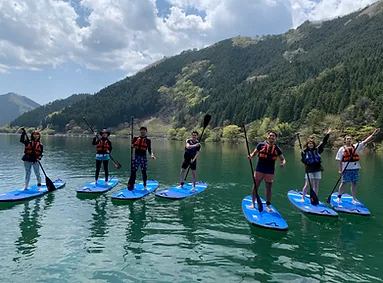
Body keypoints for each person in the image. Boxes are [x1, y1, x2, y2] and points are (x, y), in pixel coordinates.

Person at [334, 128, 380, 204]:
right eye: (347, 139)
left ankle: (354, 199)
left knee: (354, 183)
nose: (349, 140)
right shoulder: (341, 149)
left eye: (350, 139)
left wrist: (374, 133)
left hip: (355, 168)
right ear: (345, 140)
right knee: (343, 183)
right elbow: (339, 160)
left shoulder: (356, 146)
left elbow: (366, 140)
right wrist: (340, 170)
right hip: (346, 169)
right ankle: (339, 197)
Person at [248, 130, 286, 212]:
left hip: (270, 170)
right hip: (260, 169)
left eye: (273, 136)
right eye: (270, 135)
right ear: (267, 136)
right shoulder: (260, 145)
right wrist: (250, 156)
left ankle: (268, 205)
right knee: (255, 186)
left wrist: (283, 163)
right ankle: (253, 203)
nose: (271, 137)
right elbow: (254, 154)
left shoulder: (277, 149)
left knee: (268, 188)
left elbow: (283, 159)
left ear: (275, 138)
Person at [299, 129, 332, 202]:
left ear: (314, 144)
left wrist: (328, 134)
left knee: (316, 185)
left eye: (312, 143)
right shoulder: (305, 152)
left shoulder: (317, 150)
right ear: (307, 145)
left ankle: (315, 198)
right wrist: (302, 154)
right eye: (309, 144)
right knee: (307, 184)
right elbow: (303, 161)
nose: (310, 145)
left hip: (317, 169)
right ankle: (303, 197)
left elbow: (323, 142)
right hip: (309, 169)